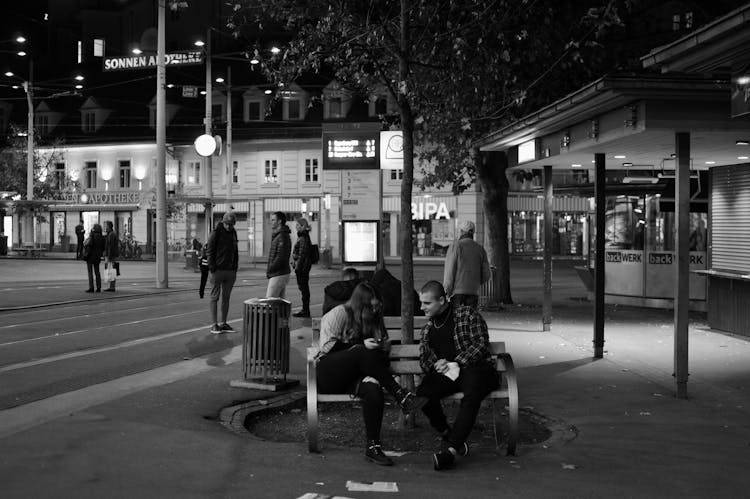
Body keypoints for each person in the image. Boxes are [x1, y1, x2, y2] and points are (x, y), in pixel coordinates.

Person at [315, 282, 428, 466]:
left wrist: (382, 348)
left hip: (356, 377)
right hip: (329, 373)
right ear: (361, 304)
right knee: (360, 351)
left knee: (373, 390)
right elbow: (327, 348)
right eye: (371, 306)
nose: (375, 311)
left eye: (377, 306)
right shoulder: (339, 314)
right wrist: (359, 347)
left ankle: (373, 447)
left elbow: (377, 363)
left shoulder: (374, 320)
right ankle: (401, 396)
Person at [415, 280, 499, 471]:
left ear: (442, 300)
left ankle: (451, 451)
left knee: (472, 395)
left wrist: (457, 361)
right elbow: (424, 358)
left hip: (475, 369)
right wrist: (435, 364)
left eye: (427, 303)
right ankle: (448, 432)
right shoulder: (428, 329)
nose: (422, 307)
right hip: (449, 374)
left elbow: (480, 344)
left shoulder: (466, 314)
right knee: (423, 395)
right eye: (421, 303)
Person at [443, 220, 490, 309]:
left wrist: (446, 291)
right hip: (473, 291)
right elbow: (487, 274)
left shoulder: (455, 246)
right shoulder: (480, 249)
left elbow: (449, 272)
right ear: (473, 232)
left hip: (457, 292)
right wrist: (476, 282)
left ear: (461, 232)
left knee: (457, 319)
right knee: (470, 319)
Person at [206, 211, 239, 334]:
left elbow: (235, 251)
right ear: (223, 222)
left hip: (230, 271)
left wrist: (235, 267)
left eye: (231, 224)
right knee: (214, 297)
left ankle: (223, 323)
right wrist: (212, 268)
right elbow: (209, 251)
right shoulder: (216, 233)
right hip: (218, 270)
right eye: (227, 224)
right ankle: (214, 324)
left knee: (226, 298)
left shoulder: (233, 233)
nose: (229, 226)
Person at [266, 211, 291, 298]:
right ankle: (284, 312)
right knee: (280, 303)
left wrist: (270, 268)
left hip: (278, 273)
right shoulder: (280, 235)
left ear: (279, 221)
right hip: (280, 272)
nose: (271, 222)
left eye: (273, 220)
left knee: (270, 302)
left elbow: (281, 257)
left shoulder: (282, 236)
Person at [291, 218, 313, 317]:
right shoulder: (303, 236)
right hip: (303, 267)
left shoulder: (303, 237)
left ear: (302, 226)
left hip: (302, 268)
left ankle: (305, 310)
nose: (296, 227)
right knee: (304, 289)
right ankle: (305, 309)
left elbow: (302, 255)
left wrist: (297, 268)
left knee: (304, 289)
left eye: (297, 225)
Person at [83, 223, 105, 293]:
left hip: (90, 257)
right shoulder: (102, 237)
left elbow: (89, 246)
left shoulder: (92, 236)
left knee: (90, 272)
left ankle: (91, 287)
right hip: (97, 257)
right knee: (97, 272)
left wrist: (86, 255)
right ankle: (98, 287)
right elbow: (103, 248)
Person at [103, 221, 119, 292]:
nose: (105, 228)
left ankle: (112, 287)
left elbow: (111, 246)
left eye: (106, 226)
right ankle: (111, 286)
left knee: (112, 271)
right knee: (111, 270)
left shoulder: (111, 234)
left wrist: (109, 256)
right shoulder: (110, 234)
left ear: (109, 227)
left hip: (111, 256)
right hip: (111, 255)